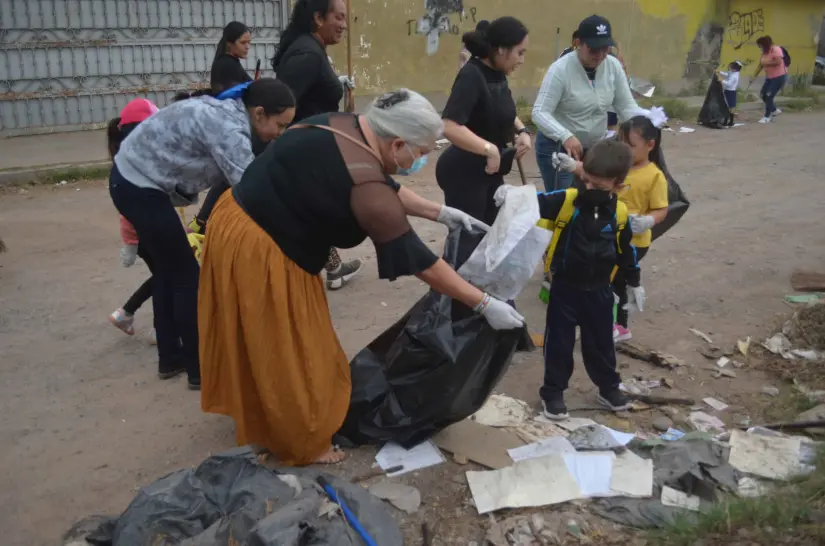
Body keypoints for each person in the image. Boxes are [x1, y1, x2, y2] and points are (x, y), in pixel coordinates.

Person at [199, 89, 524, 466]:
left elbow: (383, 181)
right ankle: (303, 441)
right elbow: (418, 259)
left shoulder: (345, 125)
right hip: (265, 248)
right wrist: (482, 303)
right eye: (419, 154)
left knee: (256, 332)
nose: (419, 162)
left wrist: (439, 212)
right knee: (292, 348)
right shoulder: (367, 187)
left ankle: (258, 408)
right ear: (397, 142)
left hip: (234, 219)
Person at [109, 78, 296, 390]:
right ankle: (200, 370)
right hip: (139, 187)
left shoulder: (232, 114)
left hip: (133, 181)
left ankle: (171, 359)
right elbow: (252, 188)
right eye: (281, 125)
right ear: (259, 113)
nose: (280, 134)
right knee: (187, 278)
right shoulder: (228, 128)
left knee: (169, 272)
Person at [534, 139, 642, 419]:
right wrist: (511, 196)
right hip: (564, 289)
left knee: (601, 344)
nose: (591, 190)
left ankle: (608, 388)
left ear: (618, 185)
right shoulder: (567, 201)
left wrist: (634, 281)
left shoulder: (619, 214)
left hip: (600, 291)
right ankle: (553, 393)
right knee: (558, 343)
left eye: (600, 186)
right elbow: (530, 205)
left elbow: (625, 249)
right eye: (588, 182)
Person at [272, 0, 363, 290]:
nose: (344, 24)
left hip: (311, 146)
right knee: (314, 211)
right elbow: (280, 105)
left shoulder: (311, 49)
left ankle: (332, 266)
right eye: (338, 17)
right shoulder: (306, 53)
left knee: (310, 211)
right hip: (304, 151)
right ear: (317, 18)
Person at [436, 16, 531, 269]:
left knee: (490, 238)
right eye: (519, 52)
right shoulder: (472, 75)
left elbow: (502, 110)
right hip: (464, 173)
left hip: (489, 172)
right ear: (501, 49)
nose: (522, 60)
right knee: (467, 244)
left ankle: (482, 299)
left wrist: (523, 130)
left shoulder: (498, 73)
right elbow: (449, 125)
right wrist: (488, 148)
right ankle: (453, 303)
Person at [533, 15, 641, 193]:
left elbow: (626, 106)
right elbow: (539, 112)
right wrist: (565, 135)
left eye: (605, 49)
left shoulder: (612, 66)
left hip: (594, 148)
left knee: (594, 198)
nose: (599, 55)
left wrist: (646, 121)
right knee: (565, 201)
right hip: (559, 147)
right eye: (593, 49)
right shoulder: (560, 70)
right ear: (578, 43)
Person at [107, 99, 160, 341]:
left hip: (143, 235)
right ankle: (161, 329)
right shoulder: (137, 163)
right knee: (169, 278)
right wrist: (130, 244)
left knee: (164, 276)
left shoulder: (127, 159)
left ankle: (126, 313)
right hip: (148, 234)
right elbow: (130, 212)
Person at [613, 114, 669, 342]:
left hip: (635, 241)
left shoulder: (655, 176)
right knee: (611, 281)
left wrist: (648, 221)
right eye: (622, 144)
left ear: (650, 145)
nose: (625, 150)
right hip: (612, 235)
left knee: (619, 282)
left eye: (631, 146)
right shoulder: (619, 167)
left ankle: (620, 328)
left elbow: (661, 209)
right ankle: (611, 323)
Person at [210, 22, 252, 94]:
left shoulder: (229, 61)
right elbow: (236, 93)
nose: (247, 47)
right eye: (243, 43)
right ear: (229, 43)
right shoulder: (227, 65)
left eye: (249, 42)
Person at [754, 36, 788, 124]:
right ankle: (774, 110)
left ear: (765, 44)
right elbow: (761, 64)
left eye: (760, 45)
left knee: (769, 96)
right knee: (763, 95)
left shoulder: (776, 49)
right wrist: (754, 75)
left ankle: (767, 117)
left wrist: (767, 63)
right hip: (769, 77)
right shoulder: (764, 52)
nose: (759, 48)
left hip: (779, 77)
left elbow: (778, 61)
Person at [718, 60, 743, 126]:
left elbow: (729, 84)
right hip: (727, 91)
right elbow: (727, 74)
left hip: (730, 92)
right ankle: (729, 121)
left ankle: (728, 121)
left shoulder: (734, 76)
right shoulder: (732, 73)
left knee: (729, 107)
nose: (729, 68)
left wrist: (721, 80)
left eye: (731, 67)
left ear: (735, 69)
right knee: (728, 106)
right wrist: (720, 72)